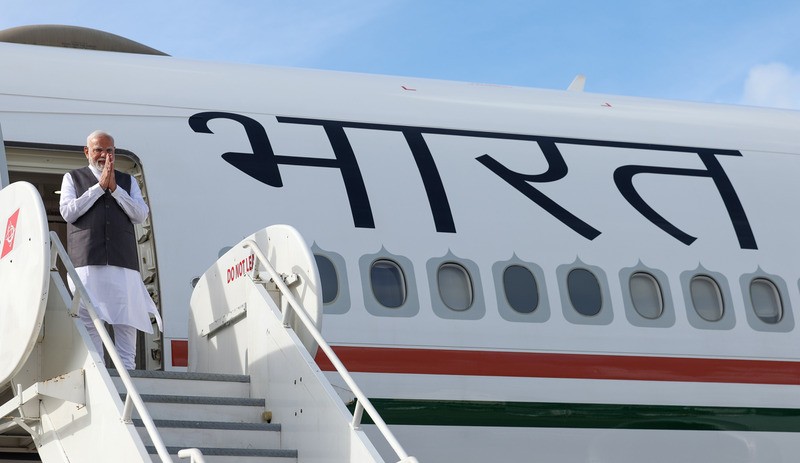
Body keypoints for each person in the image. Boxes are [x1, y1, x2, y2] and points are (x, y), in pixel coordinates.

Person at [59, 130, 161, 370]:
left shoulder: (127, 181)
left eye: (110, 150)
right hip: (87, 262)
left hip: (123, 263)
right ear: (87, 152)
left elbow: (140, 214)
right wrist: (98, 188)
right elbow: (68, 212)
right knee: (91, 322)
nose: (104, 155)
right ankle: (98, 374)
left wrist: (115, 189)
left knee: (127, 320)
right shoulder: (72, 178)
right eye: (99, 150)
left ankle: (129, 377)